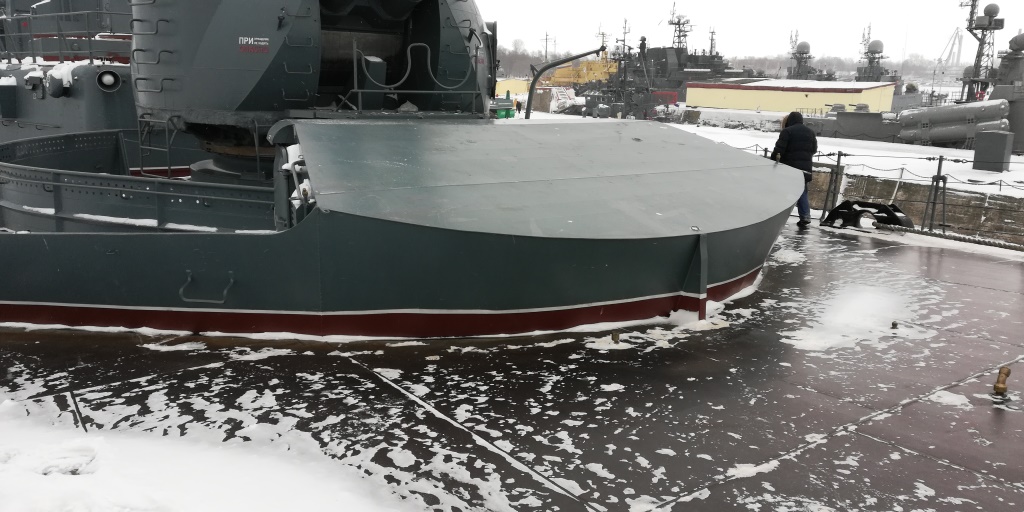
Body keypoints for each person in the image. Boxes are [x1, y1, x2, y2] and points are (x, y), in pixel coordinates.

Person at [771, 111, 817, 227]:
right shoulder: (810, 132)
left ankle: (778, 215)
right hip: (805, 168)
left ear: (790, 120)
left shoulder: (787, 131)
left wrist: (773, 160)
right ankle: (805, 216)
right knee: (802, 191)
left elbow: (779, 149)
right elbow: (814, 149)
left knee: (782, 191)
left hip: (789, 168)